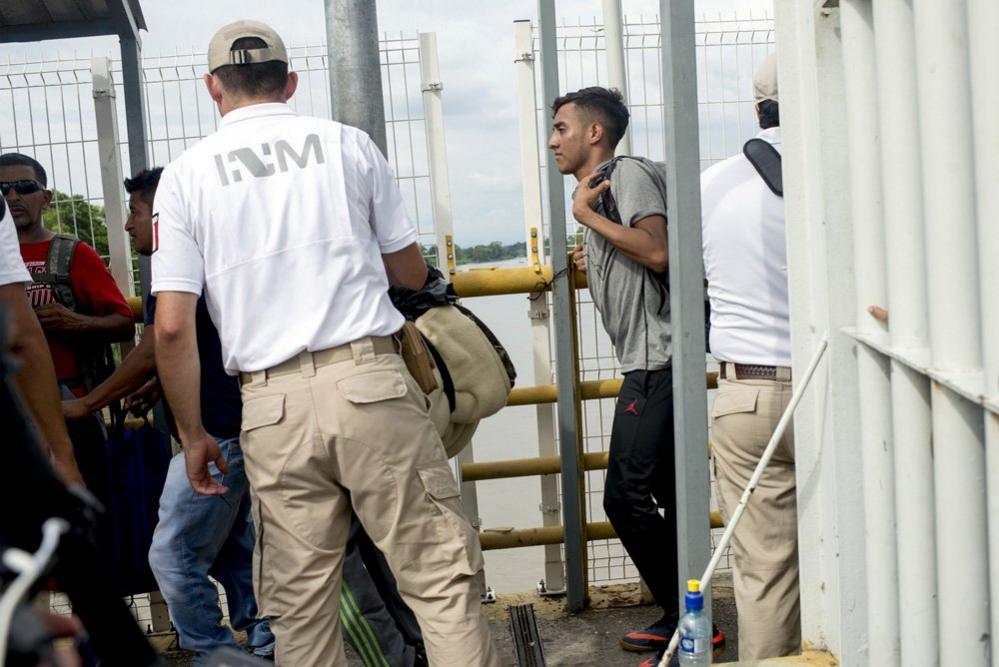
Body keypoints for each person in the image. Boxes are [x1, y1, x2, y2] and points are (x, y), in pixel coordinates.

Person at [150, 20, 498, 666]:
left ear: (211, 88)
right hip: (368, 382)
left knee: (300, 610)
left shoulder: (184, 177)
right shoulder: (348, 146)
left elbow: (171, 326)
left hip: (270, 407)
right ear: (289, 82)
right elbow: (408, 273)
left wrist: (194, 434)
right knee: (438, 580)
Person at [61, 167, 274, 664]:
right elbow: (203, 340)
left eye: (136, 212)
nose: (132, 224)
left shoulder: (176, 260)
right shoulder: (215, 252)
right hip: (243, 421)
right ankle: (264, 640)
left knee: (173, 554)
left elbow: (159, 341)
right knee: (231, 547)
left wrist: (88, 403)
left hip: (218, 432)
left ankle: (214, 652)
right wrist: (159, 385)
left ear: (160, 213)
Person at [550, 86, 724, 667]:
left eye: (561, 128)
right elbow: (634, 252)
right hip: (656, 359)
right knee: (670, 495)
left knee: (624, 495)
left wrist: (582, 217)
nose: (553, 141)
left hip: (658, 362)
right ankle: (692, 623)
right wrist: (590, 247)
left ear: (594, 133)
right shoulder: (607, 191)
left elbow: (657, 251)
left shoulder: (624, 175)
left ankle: (684, 617)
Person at [700, 53, 799, 659]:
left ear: (758, 109)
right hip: (841, 385)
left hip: (746, 394)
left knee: (764, 572)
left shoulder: (714, 183)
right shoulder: (856, 163)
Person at [0, 184, 83, 488]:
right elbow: (19, 333)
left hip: (66, 394)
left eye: (24, 187)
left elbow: (123, 322)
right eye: (4, 189)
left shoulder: (70, 253)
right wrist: (62, 454)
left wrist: (76, 323)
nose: (12, 197)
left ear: (46, 198)